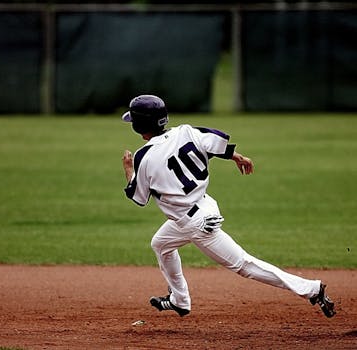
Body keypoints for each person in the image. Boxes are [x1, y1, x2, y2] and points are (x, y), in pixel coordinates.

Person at [121, 94, 335, 318]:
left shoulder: (143, 157)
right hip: (201, 209)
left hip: (193, 223)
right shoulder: (186, 131)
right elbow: (214, 142)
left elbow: (139, 197)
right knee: (161, 244)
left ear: (138, 125)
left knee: (244, 265)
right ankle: (180, 300)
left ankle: (311, 289)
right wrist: (237, 157)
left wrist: (129, 169)